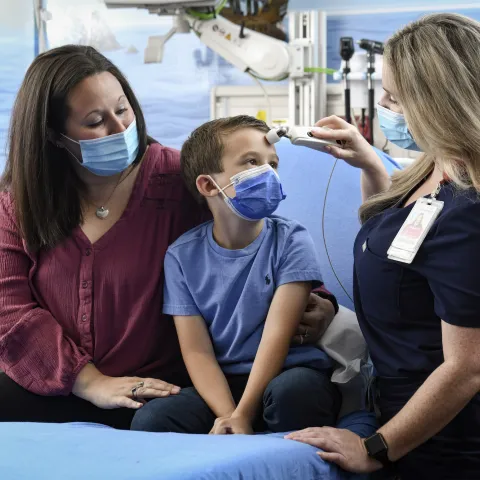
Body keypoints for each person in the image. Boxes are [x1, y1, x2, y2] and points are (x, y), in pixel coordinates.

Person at [0, 45, 338, 430]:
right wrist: (91, 383)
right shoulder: (19, 204)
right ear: (53, 135)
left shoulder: (179, 181)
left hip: (163, 387)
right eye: (95, 121)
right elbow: (8, 313)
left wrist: (321, 305)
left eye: (123, 109)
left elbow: (259, 244)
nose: (120, 128)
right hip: (66, 385)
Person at [286, 13, 480, 479]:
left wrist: (376, 449)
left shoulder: (467, 211)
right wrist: (370, 166)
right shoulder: (431, 168)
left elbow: (467, 367)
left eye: (394, 97)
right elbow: (393, 235)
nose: (385, 106)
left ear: (437, 101)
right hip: (397, 411)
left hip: (445, 444)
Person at [130, 116, 341, 434]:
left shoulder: (291, 239)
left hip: (286, 371)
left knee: (295, 395)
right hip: (223, 386)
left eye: (273, 163)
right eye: (252, 162)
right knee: (153, 419)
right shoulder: (181, 257)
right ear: (207, 185)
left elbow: (277, 335)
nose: (268, 174)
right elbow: (197, 350)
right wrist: (230, 416)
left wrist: (245, 414)